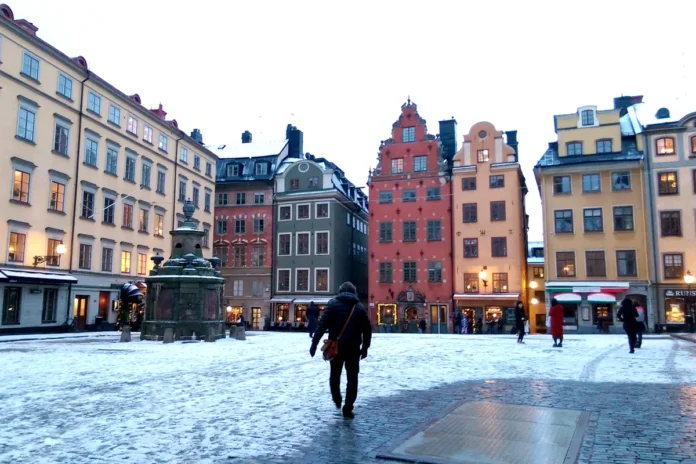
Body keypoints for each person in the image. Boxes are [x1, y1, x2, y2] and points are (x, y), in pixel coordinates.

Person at [310, 282, 372, 419]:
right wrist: (365, 347)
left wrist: (314, 344)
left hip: (335, 347)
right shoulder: (359, 307)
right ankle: (348, 407)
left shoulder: (333, 305)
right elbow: (367, 330)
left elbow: (321, 325)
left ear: (340, 291)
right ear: (354, 292)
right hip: (353, 348)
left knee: (335, 374)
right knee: (352, 378)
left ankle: (337, 398)